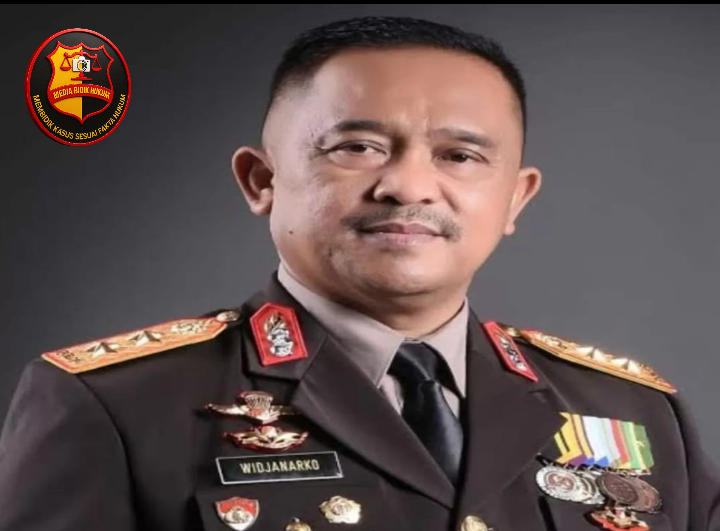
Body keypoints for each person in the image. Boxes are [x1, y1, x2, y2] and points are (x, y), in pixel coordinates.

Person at [0, 15, 718, 531]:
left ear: (514, 199)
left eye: (460, 156)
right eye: (358, 147)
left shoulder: (637, 412)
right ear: (261, 180)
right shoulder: (116, 406)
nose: (408, 186)